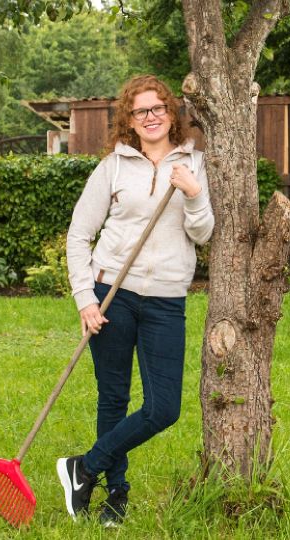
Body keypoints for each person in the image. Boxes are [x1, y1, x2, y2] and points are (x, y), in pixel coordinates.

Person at [58, 74, 214, 526]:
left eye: (158, 108)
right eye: (141, 111)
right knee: (113, 397)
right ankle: (115, 495)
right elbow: (79, 236)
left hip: (166, 297)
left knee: (163, 407)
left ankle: (83, 467)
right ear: (129, 119)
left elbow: (203, 234)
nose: (151, 117)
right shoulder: (114, 166)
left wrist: (193, 194)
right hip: (112, 294)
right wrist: (86, 298)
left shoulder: (195, 164)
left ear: (172, 113)